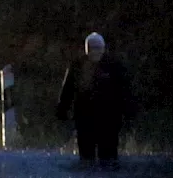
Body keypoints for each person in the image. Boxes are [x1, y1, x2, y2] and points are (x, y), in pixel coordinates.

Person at [55, 32, 135, 169]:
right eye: (93, 48)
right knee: (87, 159)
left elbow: (125, 91)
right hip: (85, 119)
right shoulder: (78, 66)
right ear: (87, 50)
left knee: (108, 158)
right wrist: (62, 111)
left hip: (109, 120)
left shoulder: (113, 66)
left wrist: (128, 112)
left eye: (98, 48)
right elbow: (67, 90)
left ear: (103, 49)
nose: (95, 51)